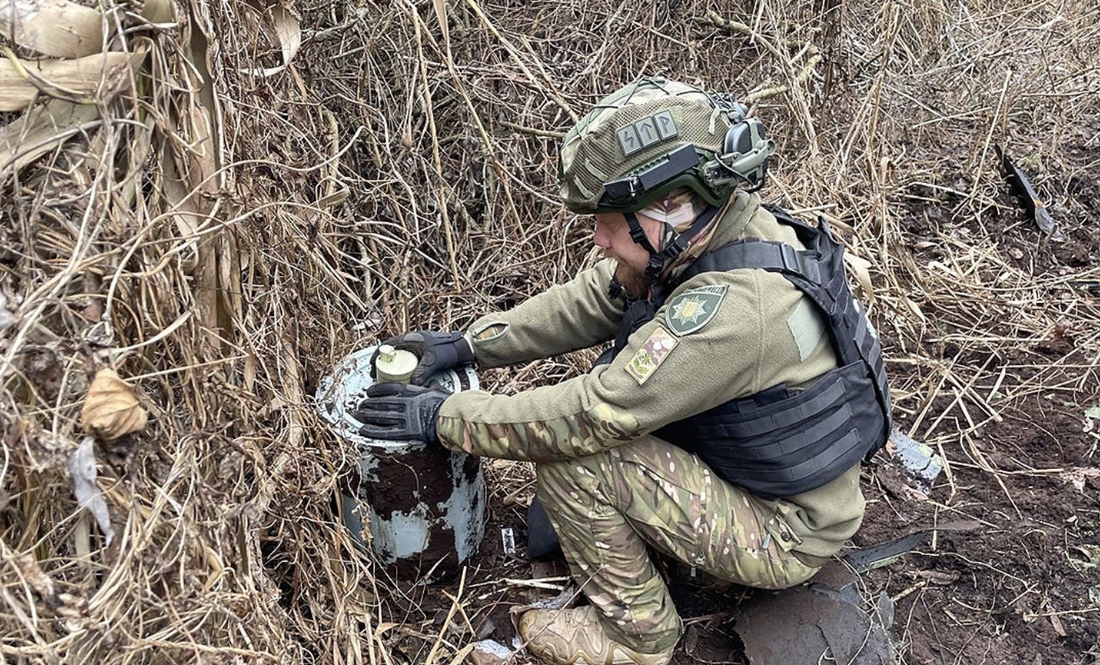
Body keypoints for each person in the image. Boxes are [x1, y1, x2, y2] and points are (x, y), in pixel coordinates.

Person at [350, 77, 892, 665]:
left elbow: (594, 414)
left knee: (576, 460)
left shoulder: (736, 311)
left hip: (785, 532)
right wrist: (468, 346)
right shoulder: (712, 232)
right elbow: (594, 300)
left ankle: (639, 640)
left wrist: (443, 417)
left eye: (614, 219)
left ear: (677, 205)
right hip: (761, 482)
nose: (600, 237)